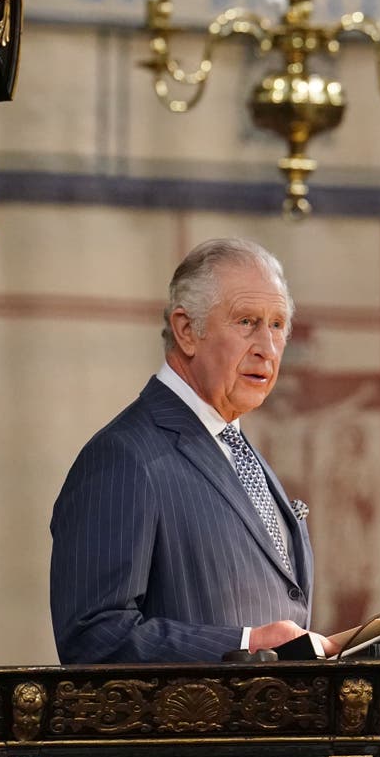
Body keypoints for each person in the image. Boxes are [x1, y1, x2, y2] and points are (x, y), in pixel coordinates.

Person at [49, 238, 337, 663]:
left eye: (278, 325)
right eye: (247, 322)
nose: (268, 348)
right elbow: (94, 638)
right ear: (187, 331)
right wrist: (245, 646)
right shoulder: (125, 457)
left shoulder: (236, 448)